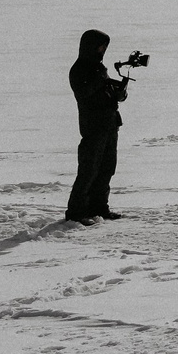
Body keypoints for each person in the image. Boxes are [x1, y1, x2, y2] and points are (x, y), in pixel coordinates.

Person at [66, 30, 130, 225]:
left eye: (104, 47)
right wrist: (103, 80)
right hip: (93, 126)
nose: (103, 50)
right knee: (89, 169)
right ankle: (76, 212)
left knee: (107, 168)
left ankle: (99, 207)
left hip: (110, 123)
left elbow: (105, 93)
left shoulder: (98, 68)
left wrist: (119, 93)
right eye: (100, 46)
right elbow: (85, 91)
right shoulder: (79, 69)